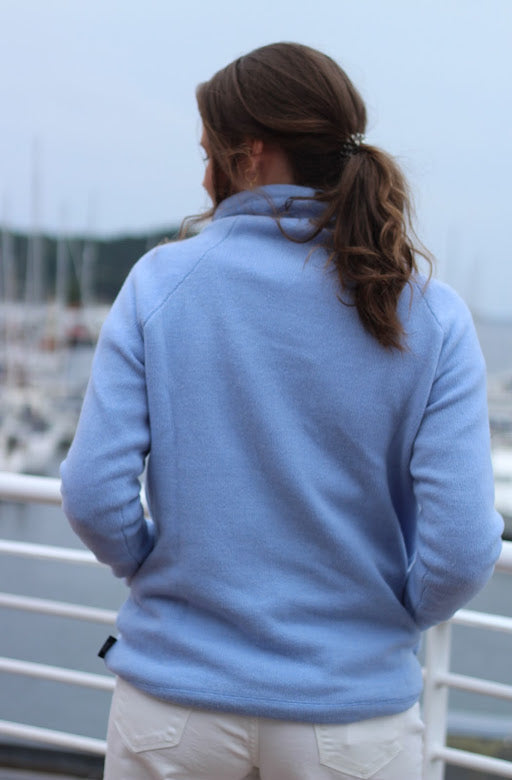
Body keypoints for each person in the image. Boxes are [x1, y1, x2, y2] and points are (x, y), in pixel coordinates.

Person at [60, 42, 503, 780]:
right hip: (352, 719)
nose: (203, 174)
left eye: (208, 152)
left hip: (175, 705)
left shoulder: (162, 283)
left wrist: (157, 573)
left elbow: (92, 494)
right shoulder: (433, 314)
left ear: (251, 154)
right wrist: (386, 617)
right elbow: (460, 549)